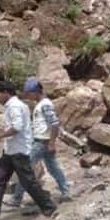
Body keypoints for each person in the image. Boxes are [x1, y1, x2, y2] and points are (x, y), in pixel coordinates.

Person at [0, 81, 56, 220]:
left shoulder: (15, 106)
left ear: (5, 92)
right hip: (10, 151)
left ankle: (49, 207)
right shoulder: (16, 105)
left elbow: (17, 127)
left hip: (18, 151)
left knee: (28, 182)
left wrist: (0, 136)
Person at [5, 78, 71, 208]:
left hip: (41, 143)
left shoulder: (45, 105)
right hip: (43, 142)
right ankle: (66, 191)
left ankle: (16, 199)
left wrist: (52, 143)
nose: (28, 97)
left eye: (29, 94)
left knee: (25, 170)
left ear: (35, 92)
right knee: (54, 168)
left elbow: (55, 124)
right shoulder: (41, 104)